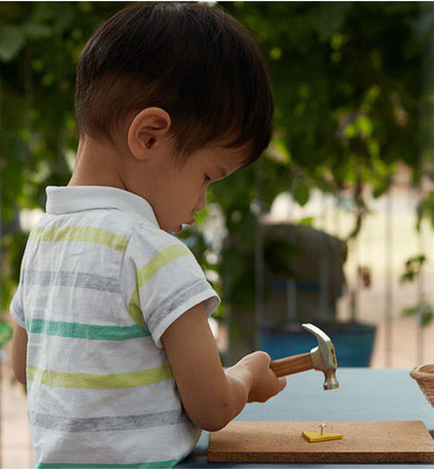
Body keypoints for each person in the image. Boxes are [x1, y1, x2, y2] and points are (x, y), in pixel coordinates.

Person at [8, 3, 285, 467]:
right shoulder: (154, 252)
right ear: (150, 136)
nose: (201, 204)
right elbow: (213, 407)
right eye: (207, 177)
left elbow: (23, 368)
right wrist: (245, 376)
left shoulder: (43, 240)